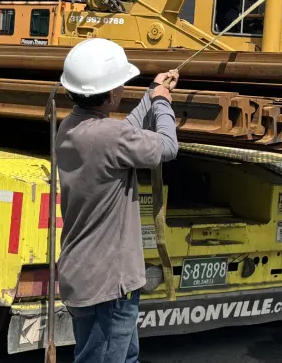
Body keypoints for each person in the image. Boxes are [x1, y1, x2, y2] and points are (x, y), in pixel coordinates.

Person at [55, 38, 179, 363]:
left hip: (86, 278)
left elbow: (121, 133)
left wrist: (151, 94)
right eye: (121, 85)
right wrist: (164, 103)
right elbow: (167, 146)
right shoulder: (110, 137)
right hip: (110, 287)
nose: (123, 89)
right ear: (111, 94)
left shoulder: (71, 128)